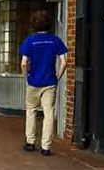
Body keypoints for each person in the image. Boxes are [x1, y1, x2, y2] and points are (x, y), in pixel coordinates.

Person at [18, 8, 67, 156]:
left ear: (34, 25)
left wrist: (26, 76)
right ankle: (46, 146)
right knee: (48, 113)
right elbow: (64, 62)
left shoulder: (30, 41)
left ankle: (30, 142)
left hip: (33, 81)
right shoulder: (55, 40)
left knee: (31, 111)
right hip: (49, 82)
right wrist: (57, 77)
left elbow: (24, 63)